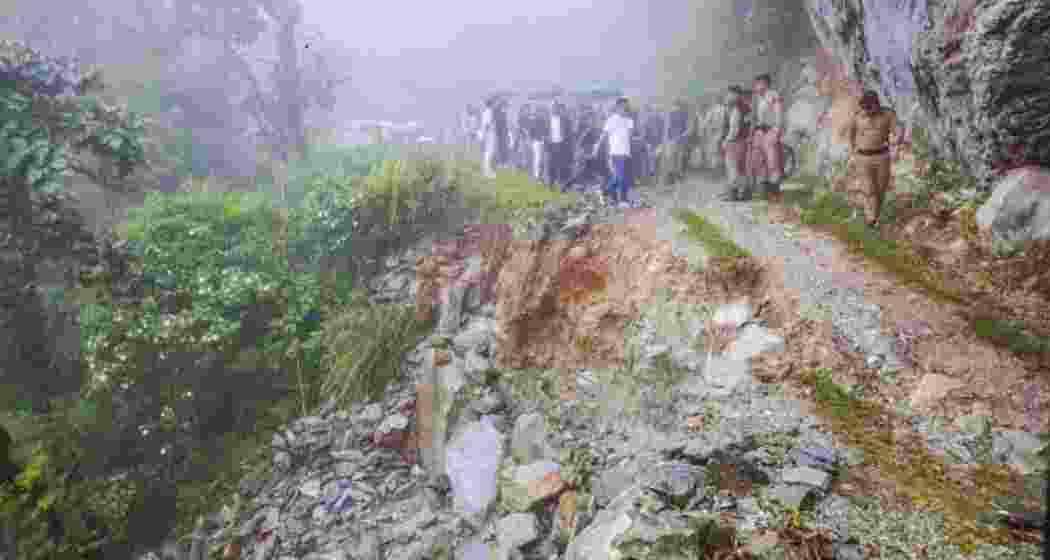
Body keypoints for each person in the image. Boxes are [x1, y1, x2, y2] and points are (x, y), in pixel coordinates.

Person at [845, 90, 902, 227]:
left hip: (882, 156)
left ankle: (875, 216)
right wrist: (852, 153)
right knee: (869, 190)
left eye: (870, 107)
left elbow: (897, 130)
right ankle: (871, 219)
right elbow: (851, 135)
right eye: (865, 108)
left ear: (877, 104)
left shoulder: (888, 114)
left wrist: (897, 141)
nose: (867, 111)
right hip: (863, 157)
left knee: (880, 189)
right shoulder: (857, 116)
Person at [594, 97, 635, 207]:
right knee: (620, 176)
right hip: (616, 152)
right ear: (618, 107)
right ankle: (618, 198)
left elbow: (630, 135)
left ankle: (612, 196)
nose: (625, 108)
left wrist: (628, 123)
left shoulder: (630, 121)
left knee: (624, 177)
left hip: (626, 152)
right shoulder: (611, 119)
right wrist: (597, 146)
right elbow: (604, 134)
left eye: (627, 106)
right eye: (623, 106)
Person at [751, 73, 786, 194]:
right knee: (759, 160)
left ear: (765, 83)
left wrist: (776, 132)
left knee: (772, 160)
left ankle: (774, 189)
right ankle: (764, 187)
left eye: (758, 83)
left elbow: (779, 115)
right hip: (760, 132)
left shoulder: (773, 96)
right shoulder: (759, 98)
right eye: (756, 84)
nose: (756, 86)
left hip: (770, 131)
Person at [721, 86, 751, 201]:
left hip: (735, 142)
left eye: (729, 94)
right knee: (742, 169)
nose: (727, 96)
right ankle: (744, 193)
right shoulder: (746, 107)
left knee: (732, 167)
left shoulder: (736, 109)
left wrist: (726, 140)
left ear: (735, 95)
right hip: (744, 141)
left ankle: (733, 193)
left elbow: (734, 129)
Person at [662, 99, 694, 185]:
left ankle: (674, 175)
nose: (676, 108)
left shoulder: (680, 114)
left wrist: (681, 136)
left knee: (674, 158)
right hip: (675, 139)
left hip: (676, 139)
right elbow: (668, 127)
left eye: (677, 106)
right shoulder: (677, 114)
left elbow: (686, 128)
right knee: (675, 158)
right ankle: (673, 175)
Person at [546, 100, 574, 189]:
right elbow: (546, 132)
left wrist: (569, 146)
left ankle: (562, 183)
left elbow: (570, 134)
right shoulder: (548, 120)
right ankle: (551, 182)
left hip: (562, 145)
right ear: (551, 109)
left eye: (556, 107)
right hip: (551, 145)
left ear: (558, 108)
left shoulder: (566, 120)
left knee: (562, 164)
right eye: (553, 107)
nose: (554, 109)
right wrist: (547, 143)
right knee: (551, 164)